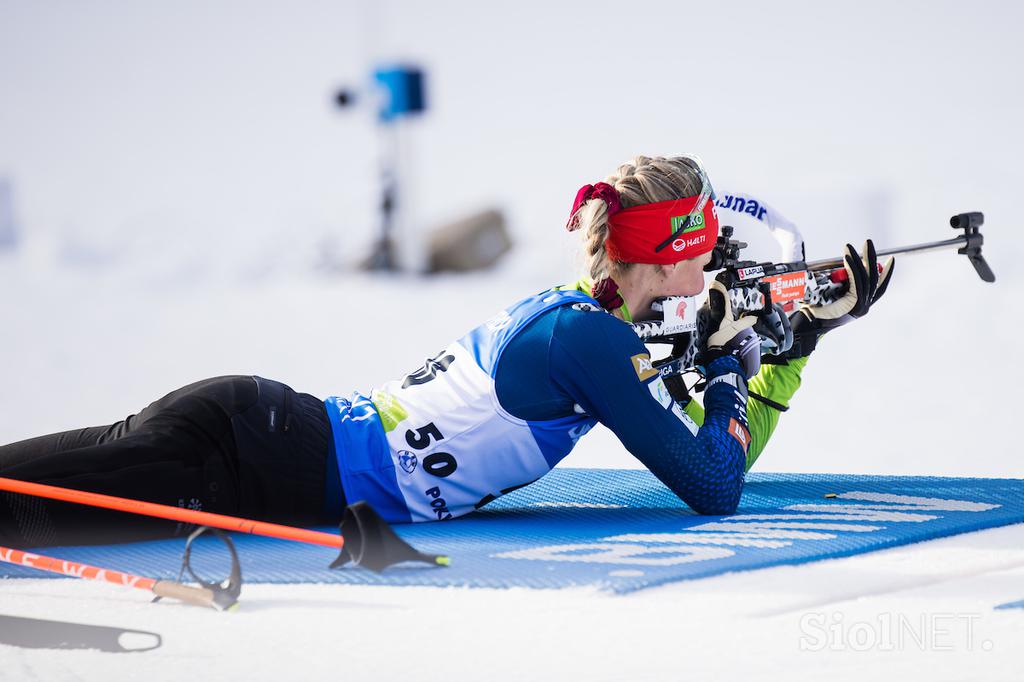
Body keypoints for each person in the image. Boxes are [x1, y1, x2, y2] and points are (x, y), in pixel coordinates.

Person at [0, 155, 894, 548]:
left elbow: (710, 458)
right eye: (702, 250)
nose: (714, 267)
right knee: (18, 506)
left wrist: (796, 343)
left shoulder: (597, 327)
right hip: (248, 453)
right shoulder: (587, 339)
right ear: (663, 253)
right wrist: (737, 368)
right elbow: (712, 487)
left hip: (262, 441)